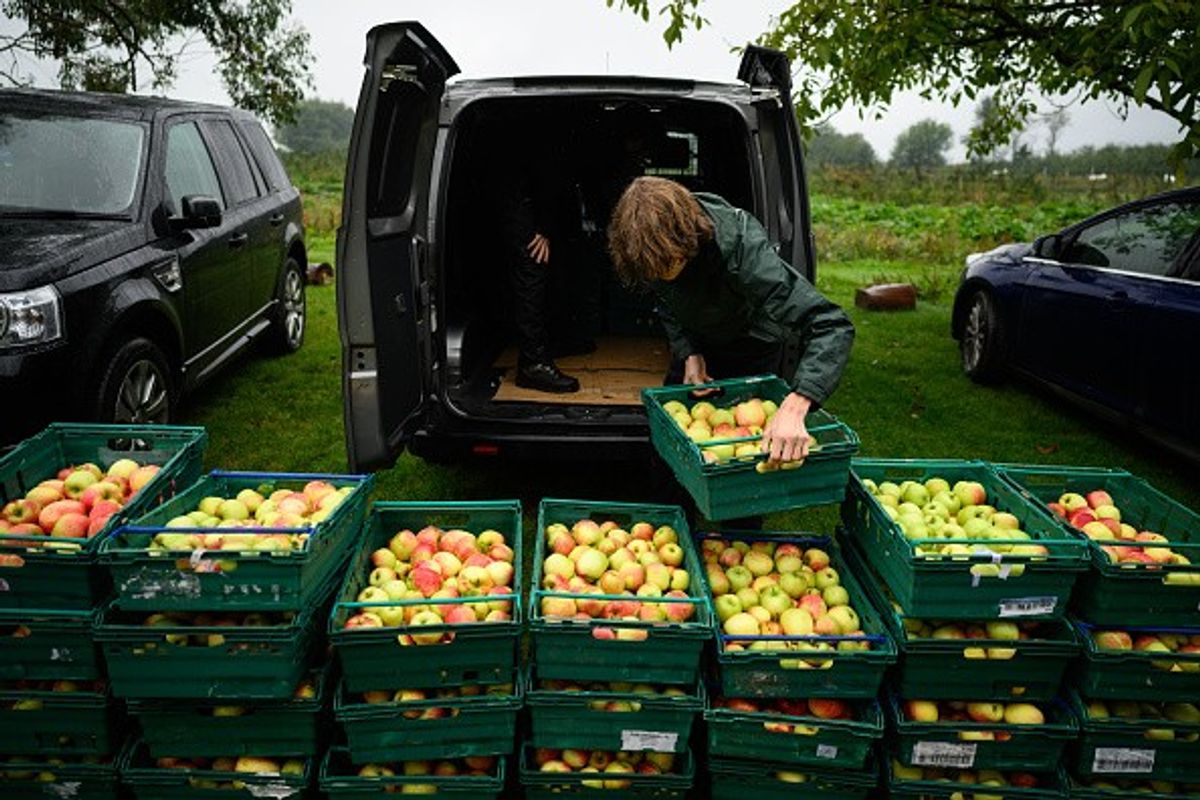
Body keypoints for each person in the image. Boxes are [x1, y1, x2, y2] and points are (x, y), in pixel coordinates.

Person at [607, 176, 854, 464]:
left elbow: (830, 324)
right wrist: (689, 352)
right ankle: (674, 506)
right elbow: (667, 301)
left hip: (751, 342)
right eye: (655, 273)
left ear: (688, 237)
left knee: (748, 459)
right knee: (669, 443)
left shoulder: (742, 250)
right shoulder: (648, 249)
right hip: (701, 341)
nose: (663, 275)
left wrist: (798, 403)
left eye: (669, 264)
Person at [495, 131, 593, 394]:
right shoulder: (547, 135)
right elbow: (547, 174)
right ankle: (533, 364)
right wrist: (543, 227)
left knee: (542, 275)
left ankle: (552, 344)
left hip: (529, 201)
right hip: (523, 205)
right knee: (531, 275)